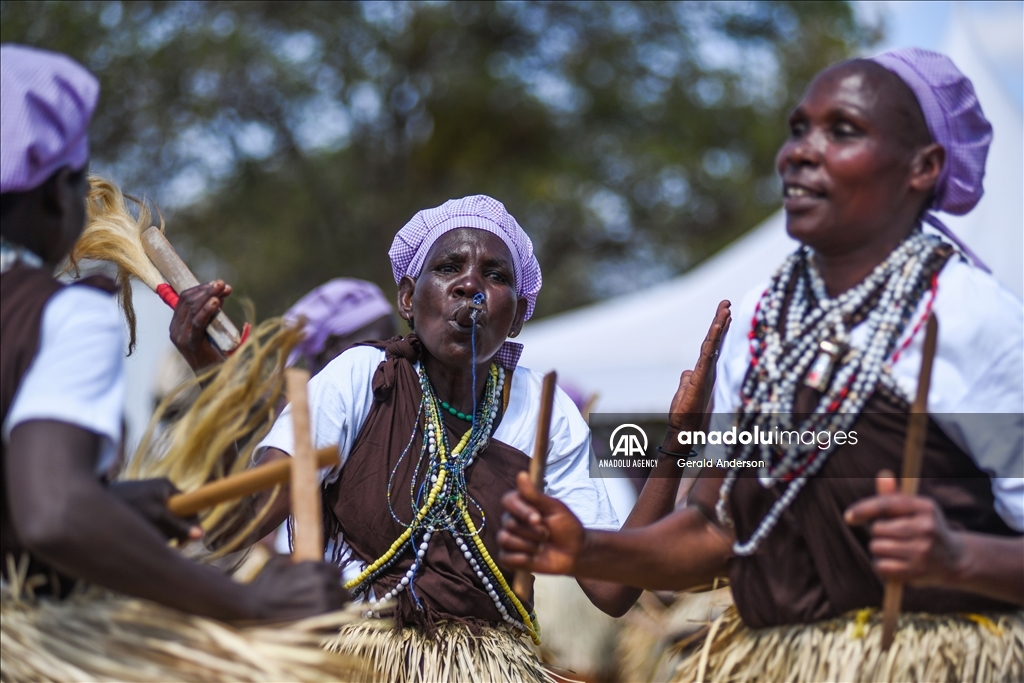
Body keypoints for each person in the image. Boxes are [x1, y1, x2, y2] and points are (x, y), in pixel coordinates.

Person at [498, 48, 1023, 680]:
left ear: (923, 167)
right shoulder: (759, 321)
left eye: (843, 131)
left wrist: (959, 556)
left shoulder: (970, 321)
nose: (799, 152)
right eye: (799, 128)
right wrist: (587, 547)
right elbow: (714, 530)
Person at [172, 194, 729, 681]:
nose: (471, 286)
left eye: (496, 275)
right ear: (408, 298)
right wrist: (211, 379)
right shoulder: (360, 377)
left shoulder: (544, 407)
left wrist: (677, 441)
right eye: (448, 267)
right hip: (353, 662)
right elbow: (239, 525)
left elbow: (613, 592)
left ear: (517, 316)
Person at [0, 43, 348, 622]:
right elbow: (52, 512)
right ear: (56, 195)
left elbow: (24, 495)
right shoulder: (60, 314)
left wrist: (110, 504)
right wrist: (247, 601)